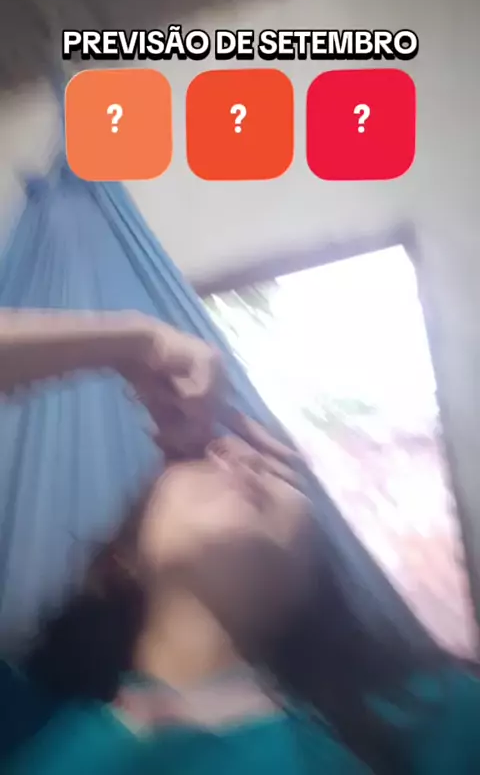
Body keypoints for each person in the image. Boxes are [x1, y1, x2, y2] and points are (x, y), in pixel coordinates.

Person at [0, 309, 479, 774]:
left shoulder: (433, 716)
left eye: (276, 469)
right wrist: (133, 340)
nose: (239, 456)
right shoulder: (28, 723)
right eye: (197, 459)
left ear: (315, 567)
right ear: (122, 558)